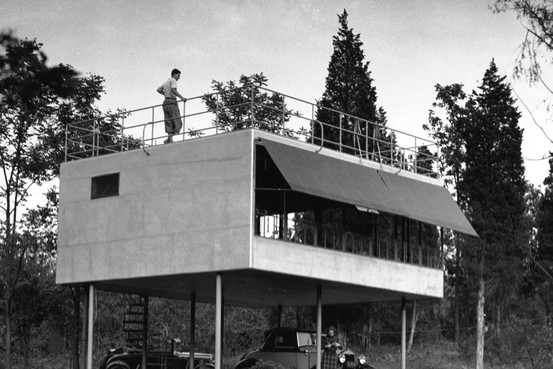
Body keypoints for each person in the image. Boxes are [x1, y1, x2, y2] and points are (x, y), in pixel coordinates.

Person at [157, 68, 187, 143]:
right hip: (172, 102)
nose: (179, 77)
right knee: (177, 121)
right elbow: (173, 90)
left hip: (165, 102)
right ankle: (170, 138)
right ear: (174, 74)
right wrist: (182, 98)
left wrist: (165, 94)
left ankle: (169, 139)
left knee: (168, 121)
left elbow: (158, 89)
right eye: (178, 75)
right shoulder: (173, 80)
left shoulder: (166, 82)